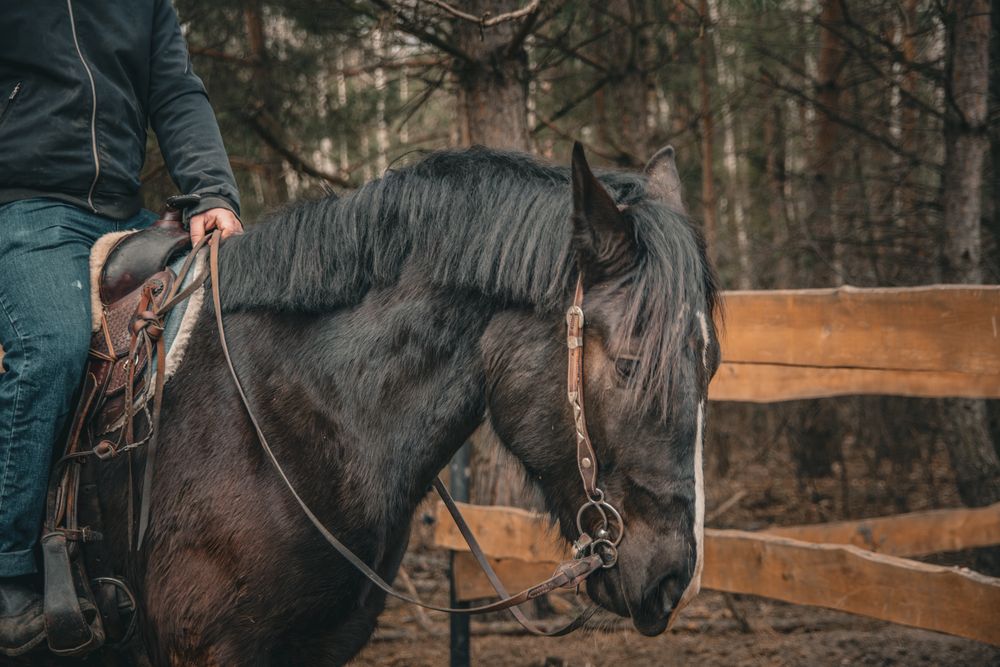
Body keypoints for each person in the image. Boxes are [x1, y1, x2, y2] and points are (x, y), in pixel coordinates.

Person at [0, 1, 243, 655]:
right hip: (26, 207)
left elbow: (176, 91)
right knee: (49, 345)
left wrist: (213, 194)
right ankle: (9, 570)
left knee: (221, 325)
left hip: (127, 217)